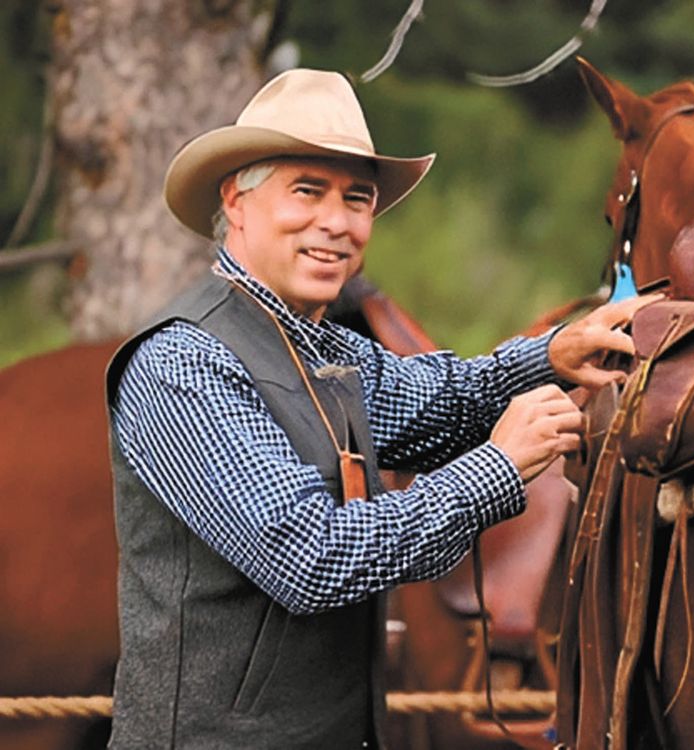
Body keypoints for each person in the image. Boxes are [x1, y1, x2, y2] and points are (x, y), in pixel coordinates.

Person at [104, 68, 652, 748]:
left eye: (357, 199)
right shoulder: (183, 363)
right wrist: (498, 469)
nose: (336, 222)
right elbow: (312, 557)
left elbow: (444, 402)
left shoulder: (323, 346)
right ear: (235, 201)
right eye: (308, 191)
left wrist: (552, 354)